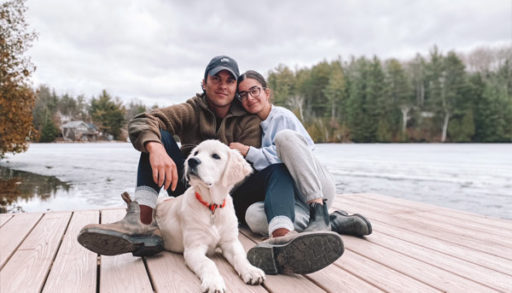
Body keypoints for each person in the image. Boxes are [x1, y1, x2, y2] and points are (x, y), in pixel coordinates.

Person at [78, 57, 342, 275]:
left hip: (231, 194)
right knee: (157, 136)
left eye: (230, 81)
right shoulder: (191, 109)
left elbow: (248, 165)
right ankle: (141, 222)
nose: (223, 86)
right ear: (204, 83)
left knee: (276, 168)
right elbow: (142, 121)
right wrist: (156, 148)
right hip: (188, 187)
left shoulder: (248, 119)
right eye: (216, 78)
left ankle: (283, 237)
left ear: (235, 86)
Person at [229, 70, 372, 240]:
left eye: (254, 91)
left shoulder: (282, 116)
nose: (250, 98)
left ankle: (319, 211)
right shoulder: (249, 126)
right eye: (243, 95)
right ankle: (331, 222)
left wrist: (249, 152)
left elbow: (300, 153)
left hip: (315, 187)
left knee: (284, 138)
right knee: (254, 217)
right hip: (291, 197)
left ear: (266, 93)